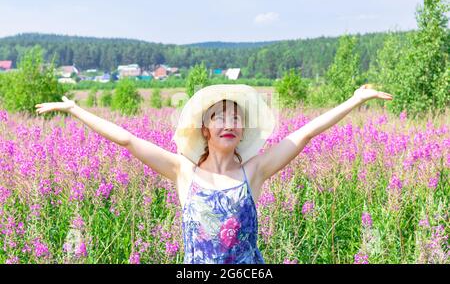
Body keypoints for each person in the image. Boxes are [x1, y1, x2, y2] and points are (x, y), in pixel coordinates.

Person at [35, 83, 393, 264]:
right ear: (204, 128)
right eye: (219, 116)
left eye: (236, 117)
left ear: (241, 130)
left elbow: (304, 135)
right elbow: (127, 140)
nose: (229, 122)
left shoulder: (255, 170)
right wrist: (74, 110)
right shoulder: (181, 170)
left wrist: (355, 100)